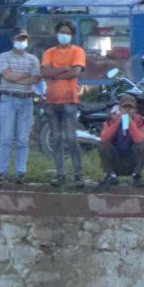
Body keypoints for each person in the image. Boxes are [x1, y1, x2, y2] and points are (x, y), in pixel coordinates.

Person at [40, 22, 87, 189]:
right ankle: (60, 174)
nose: (64, 35)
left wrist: (55, 73)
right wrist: (65, 68)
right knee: (56, 139)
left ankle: (78, 174)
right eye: (61, 32)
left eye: (67, 32)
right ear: (56, 33)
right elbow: (44, 72)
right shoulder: (49, 52)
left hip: (69, 100)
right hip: (51, 101)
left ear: (71, 35)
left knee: (71, 138)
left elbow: (75, 72)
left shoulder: (77, 51)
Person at [0, 27, 39, 186]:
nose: (22, 41)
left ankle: (20, 172)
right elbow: (7, 76)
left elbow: (35, 78)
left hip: (26, 100)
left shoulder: (32, 59)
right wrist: (25, 75)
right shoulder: (4, 56)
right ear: (12, 39)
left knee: (23, 139)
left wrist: (17, 78)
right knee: (6, 138)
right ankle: (1, 172)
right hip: (9, 99)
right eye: (19, 38)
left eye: (24, 39)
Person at [97, 92, 144, 189]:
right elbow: (104, 138)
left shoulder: (140, 121)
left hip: (131, 158)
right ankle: (111, 174)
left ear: (135, 110)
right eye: (124, 108)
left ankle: (137, 175)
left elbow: (139, 140)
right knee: (102, 145)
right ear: (120, 109)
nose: (127, 110)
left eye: (130, 108)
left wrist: (130, 122)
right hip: (116, 157)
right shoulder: (111, 120)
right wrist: (118, 122)